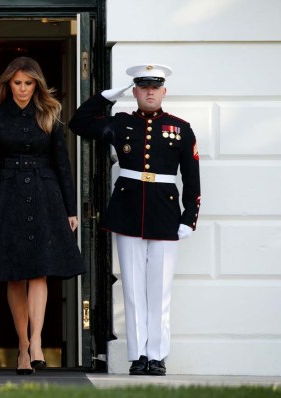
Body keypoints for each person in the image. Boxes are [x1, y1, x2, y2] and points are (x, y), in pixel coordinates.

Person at [68, 64, 201, 376]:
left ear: (164, 91)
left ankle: (157, 355)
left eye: (155, 86)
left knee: (160, 290)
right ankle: (138, 354)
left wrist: (189, 217)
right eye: (143, 86)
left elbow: (192, 178)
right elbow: (79, 123)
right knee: (131, 287)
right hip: (127, 211)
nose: (149, 91)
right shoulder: (120, 124)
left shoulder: (181, 129)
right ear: (136, 91)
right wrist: (104, 97)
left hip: (166, 214)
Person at [0, 57, 85, 375]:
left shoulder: (50, 112)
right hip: (7, 195)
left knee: (40, 272)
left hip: (44, 196)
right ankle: (22, 347)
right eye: (17, 83)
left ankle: (37, 341)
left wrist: (70, 209)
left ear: (37, 84)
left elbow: (62, 163)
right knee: (15, 274)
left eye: (28, 83)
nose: (22, 89)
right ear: (8, 84)